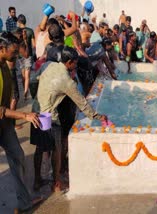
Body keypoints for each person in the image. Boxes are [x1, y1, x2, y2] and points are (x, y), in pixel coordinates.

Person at [36, 46, 108, 192]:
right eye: (75, 63)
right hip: (50, 116)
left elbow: (36, 77)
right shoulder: (66, 81)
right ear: (69, 62)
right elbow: (81, 102)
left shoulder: (48, 65)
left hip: (37, 110)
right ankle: (56, 183)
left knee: (41, 147)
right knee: (57, 150)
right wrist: (96, 116)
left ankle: (37, 180)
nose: (76, 65)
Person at [0, 31, 43, 213]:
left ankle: (24, 202)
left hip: (5, 125)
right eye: (13, 52)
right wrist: (23, 116)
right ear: (1, 49)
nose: (16, 55)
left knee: (18, 156)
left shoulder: (5, 65)